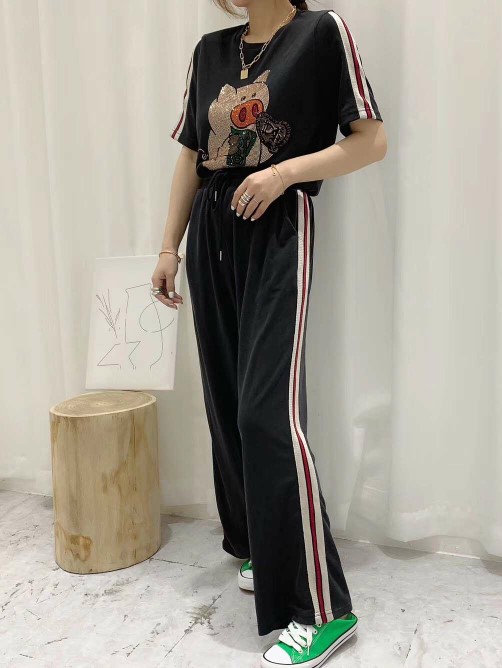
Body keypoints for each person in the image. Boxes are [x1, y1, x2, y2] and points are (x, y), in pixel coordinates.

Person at [153, 1, 387, 665]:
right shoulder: (211, 51)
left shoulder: (320, 33)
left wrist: (284, 172)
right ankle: (266, 546)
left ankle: (323, 609)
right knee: (228, 403)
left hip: (279, 227)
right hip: (212, 230)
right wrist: (168, 246)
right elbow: (192, 155)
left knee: (267, 414)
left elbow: (370, 140)